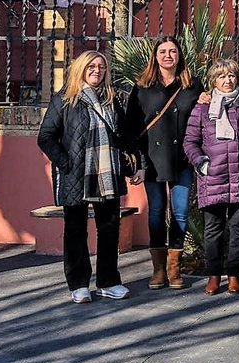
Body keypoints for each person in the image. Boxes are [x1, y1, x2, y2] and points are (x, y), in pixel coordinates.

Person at [37, 51, 132, 304]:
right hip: (76, 174)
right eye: (91, 66)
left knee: (109, 229)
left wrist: (133, 163)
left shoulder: (113, 99)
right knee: (76, 230)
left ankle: (109, 281)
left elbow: (124, 136)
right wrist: (66, 162)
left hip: (108, 173)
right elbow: (45, 136)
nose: (97, 71)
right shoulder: (65, 99)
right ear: (81, 68)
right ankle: (78, 284)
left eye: (101, 67)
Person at [184, 59, 239, 296]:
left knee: (238, 228)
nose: (227, 80)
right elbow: (190, 141)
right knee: (213, 229)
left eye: (232, 76)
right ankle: (214, 276)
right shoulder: (202, 108)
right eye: (222, 77)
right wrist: (201, 163)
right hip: (213, 177)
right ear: (214, 81)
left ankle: (233, 275)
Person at [122, 36, 203, 291]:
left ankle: (174, 268)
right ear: (155, 56)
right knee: (156, 212)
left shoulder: (192, 85)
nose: (168, 55)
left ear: (180, 55)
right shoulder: (142, 87)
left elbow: (203, 120)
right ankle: (158, 269)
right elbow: (131, 129)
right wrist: (139, 162)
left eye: (173, 51)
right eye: (163, 51)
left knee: (179, 213)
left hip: (182, 160)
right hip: (153, 161)